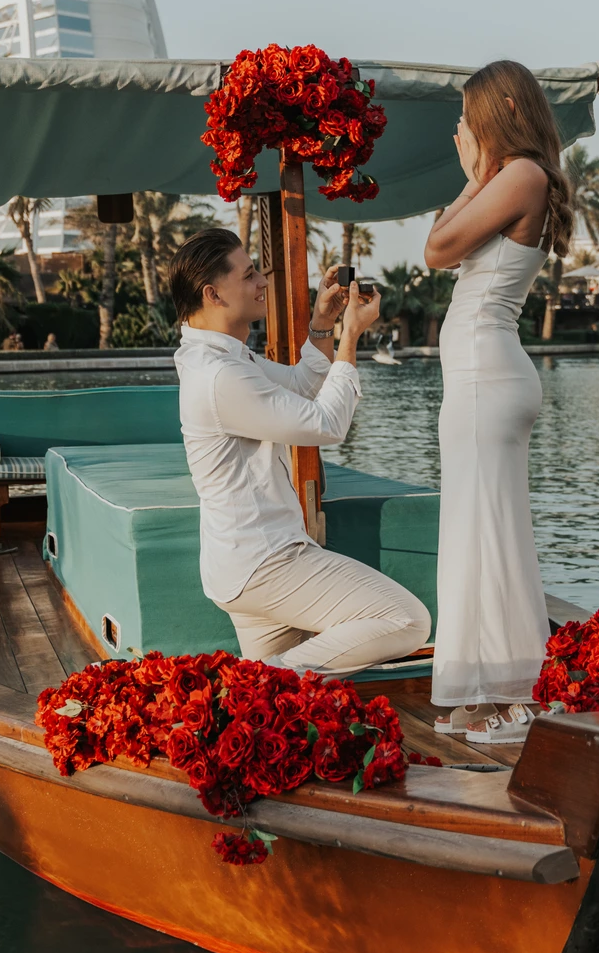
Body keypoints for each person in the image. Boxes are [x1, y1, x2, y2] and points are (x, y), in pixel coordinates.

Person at [170, 227, 432, 673]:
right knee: (405, 619)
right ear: (213, 294)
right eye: (250, 275)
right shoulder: (219, 375)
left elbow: (302, 385)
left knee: (279, 711)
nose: (263, 283)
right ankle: (239, 690)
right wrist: (351, 337)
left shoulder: (223, 360)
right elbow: (326, 424)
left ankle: (253, 692)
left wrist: (324, 323)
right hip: (265, 560)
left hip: (242, 563)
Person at [424, 60, 572, 740]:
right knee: (473, 532)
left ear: (503, 107)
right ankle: (487, 688)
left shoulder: (521, 175)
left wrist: (471, 172)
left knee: (490, 533)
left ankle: (522, 694)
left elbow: (436, 248)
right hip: (479, 377)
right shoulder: (513, 177)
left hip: (487, 376)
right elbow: (447, 245)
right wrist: (471, 175)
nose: (464, 130)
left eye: (469, 117)